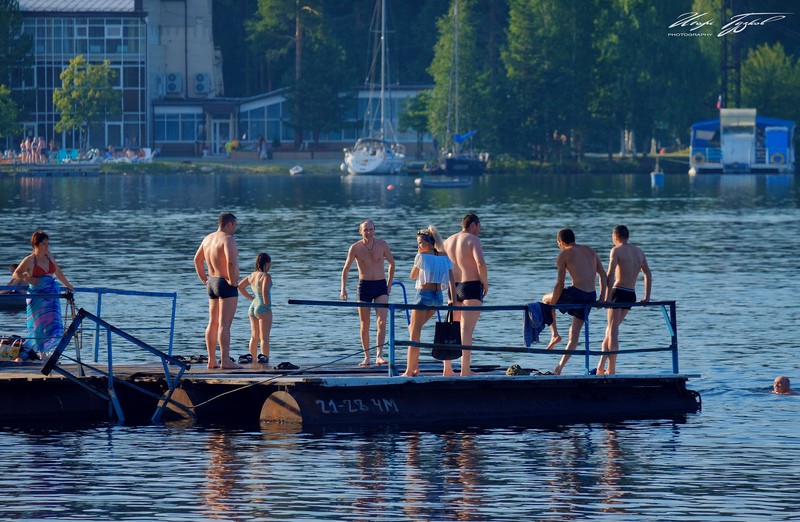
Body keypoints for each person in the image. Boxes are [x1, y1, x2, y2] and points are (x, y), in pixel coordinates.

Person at [543, 228, 607, 375]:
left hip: (576, 293)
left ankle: (555, 334)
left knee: (545, 299)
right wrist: (602, 298)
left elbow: (560, 284)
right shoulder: (590, 251)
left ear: (561, 242)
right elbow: (603, 275)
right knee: (574, 335)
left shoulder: (564, 254)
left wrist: (552, 304)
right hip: (591, 295)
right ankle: (559, 368)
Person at [597, 225, 652, 375]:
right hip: (631, 294)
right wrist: (646, 297)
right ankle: (601, 366)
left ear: (615, 237)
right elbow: (648, 274)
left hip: (618, 292)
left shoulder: (616, 250)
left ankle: (612, 369)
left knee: (613, 331)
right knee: (610, 330)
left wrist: (606, 298)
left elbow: (610, 275)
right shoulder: (639, 251)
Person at [12, 231, 74, 361]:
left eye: (47, 243)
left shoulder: (49, 256)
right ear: (36, 244)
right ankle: (23, 354)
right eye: (44, 243)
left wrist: (68, 285)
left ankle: (43, 354)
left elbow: (58, 272)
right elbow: (16, 273)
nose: (46, 246)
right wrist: (28, 279)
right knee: (38, 326)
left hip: (51, 296)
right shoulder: (29, 260)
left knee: (52, 325)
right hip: (37, 297)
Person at [340, 219, 395, 367]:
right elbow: (346, 269)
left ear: (374, 230)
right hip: (364, 286)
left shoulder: (382, 244)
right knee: (364, 324)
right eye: (366, 230)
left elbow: (392, 263)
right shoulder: (355, 248)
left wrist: (389, 284)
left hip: (380, 285)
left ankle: (379, 355)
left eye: (371, 229)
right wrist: (343, 288)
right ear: (360, 231)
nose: (369, 232)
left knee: (382, 322)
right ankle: (367, 356)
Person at [402, 226, 455, 377]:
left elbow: (413, 276)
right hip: (438, 298)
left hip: (423, 296)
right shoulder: (443, 256)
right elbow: (452, 279)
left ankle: (408, 371)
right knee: (413, 329)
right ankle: (415, 367)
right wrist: (453, 299)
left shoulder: (422, 257)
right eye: (418, 243)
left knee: (414, 334)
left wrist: (418, 257)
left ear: (430, 244)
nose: (418, 246)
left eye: (420, 243)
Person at [194, 212, 242, 370]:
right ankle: (225, 360)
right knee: (225, 324)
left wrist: (204, 279)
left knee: (212, 322)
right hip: (225, 283)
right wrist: (232, 280)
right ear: (229, 224)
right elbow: (230, 261)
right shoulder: (228, 239)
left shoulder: (208, 239)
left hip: (212, 282)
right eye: (235, 224)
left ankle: (211, 360)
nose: (236, 228)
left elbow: (197, 259)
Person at [443, 213, 488, 377]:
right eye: (479, 225)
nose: (480, 229)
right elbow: (480, 263)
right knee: (466, 330)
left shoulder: (447, 241)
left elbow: (444, 267)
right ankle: (465, 370)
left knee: (451, 330)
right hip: (470, 285)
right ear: (473, 225)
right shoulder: (473, 239)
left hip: (453, 287)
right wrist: (485, 283)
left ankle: (447, 369)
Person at [237, 252, 272, 365]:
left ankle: (252, 360)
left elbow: (240, 287)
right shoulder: (265, 276)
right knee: (264, 338)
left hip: (253, 307)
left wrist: (251, 298)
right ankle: (265, 360)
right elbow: (265, 290)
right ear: (266, 264)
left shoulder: (251, 276)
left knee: (254, 336)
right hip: (263, 307)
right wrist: (266, 302)